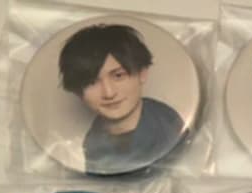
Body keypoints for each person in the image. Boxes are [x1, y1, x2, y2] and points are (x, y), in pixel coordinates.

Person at [58, 23, 185, 175]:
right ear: (78, 93)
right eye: (91, 82)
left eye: (118, 76)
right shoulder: (90, 143)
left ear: (142, 73)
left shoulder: (169, 125)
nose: (109, 93)